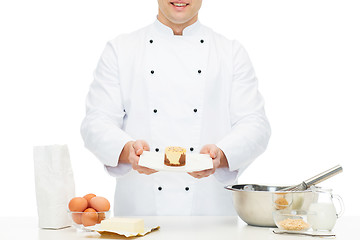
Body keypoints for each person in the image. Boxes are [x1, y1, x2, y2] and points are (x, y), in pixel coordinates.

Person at [81, 0, 271, 216]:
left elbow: (256, 126)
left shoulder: (230, 52)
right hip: (140, 214)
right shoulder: (121, 49)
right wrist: (128, 151)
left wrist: (222, 155)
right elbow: (95, 123)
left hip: (210, 216)